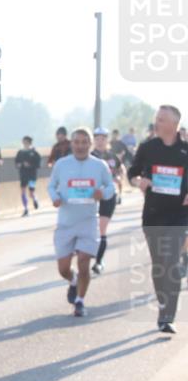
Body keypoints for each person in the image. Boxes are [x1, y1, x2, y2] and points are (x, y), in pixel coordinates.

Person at [127, 105, 188, 334]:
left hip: (179, 215)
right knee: (159, 264)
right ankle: (162, 301)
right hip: (153, 213)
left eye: (161, 119)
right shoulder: (147, 147)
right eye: (156, 118)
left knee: (171, 263)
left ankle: (167, 316)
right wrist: (138, 181)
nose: (157, 122)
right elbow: (132, 172)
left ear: (174, 124)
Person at [48, 128, 114, 317]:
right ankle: (73, 281)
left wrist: (103, 193)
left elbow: (110, 186)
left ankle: (80, 301)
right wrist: (55, 197)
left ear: (90, 144)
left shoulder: (100, 165)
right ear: (72, 144)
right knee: (63, 268)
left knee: (84, 262)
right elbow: (51, 185)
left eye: (85, 142)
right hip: (66, 222)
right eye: (77, 142)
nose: (80, 146)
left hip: (88, 221)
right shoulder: (61, 164)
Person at [91, 127, 124, 274]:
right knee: (91, 229)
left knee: (102, 228)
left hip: (109, 196)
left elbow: (120, 169)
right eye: (97, 139)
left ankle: (98, 261)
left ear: (107, 140)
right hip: (91, 196)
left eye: (103, 139)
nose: (100, 141)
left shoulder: (112, 156)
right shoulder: (89, 156)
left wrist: (118, 177)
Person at [14, 136, 42, 216]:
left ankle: (35, 199)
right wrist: (18, 165)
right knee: (22, 191)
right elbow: (16, 162)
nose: (25, 144)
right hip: (23, 174)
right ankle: (26, 208)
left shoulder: (34, 153)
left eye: (26, 142)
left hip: (32, 175)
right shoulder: (20, 152)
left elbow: (38, 164)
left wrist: (30, 165)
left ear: (30, 143)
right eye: (23, 142)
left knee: (31, 192)